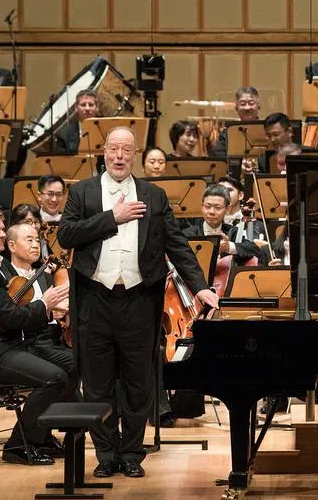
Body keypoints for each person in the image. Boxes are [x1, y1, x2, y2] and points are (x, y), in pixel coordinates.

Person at [57, 127, 218, 478]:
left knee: (138, 381)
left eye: (125, 150)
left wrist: (200, 287)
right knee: (97, 383)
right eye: (113, 149)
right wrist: (110, 219)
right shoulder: (82, 192)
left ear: (134, 155)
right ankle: (105, 455)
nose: (118, 156)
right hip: (95, 300)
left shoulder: (154, 195)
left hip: (139, 301)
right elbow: (65, 235)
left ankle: (131, 452)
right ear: (103, 152)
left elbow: (177, 245)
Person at [0, 208, 72, 466]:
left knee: (70, 365)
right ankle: (19, 445)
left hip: (6, 345)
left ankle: (43, 435)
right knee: (54, 378)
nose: (0, 235)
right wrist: (44, 303)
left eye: (1, 229)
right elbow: (10, 318)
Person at [0, 220, 76, 423]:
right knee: (72, 368)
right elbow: (10, 315)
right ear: (12, 246)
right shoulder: (4, 276)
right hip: (26, 343)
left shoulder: (42, 274)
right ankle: (46, 429)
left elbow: (45, 309)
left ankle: (54, 429)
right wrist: (47, 307)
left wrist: (56, 311)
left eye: (37, 240)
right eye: (29, 240)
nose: (35, 245)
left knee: (82, 361)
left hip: (47, 340)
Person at [209, 86, 261, 160]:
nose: (247, 108)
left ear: (258, 106)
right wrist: (238, 165)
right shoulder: (228, 132)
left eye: (251, 103)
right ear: (236, 108)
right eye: (243, 104)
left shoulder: (267, 130)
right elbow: (217, 156)